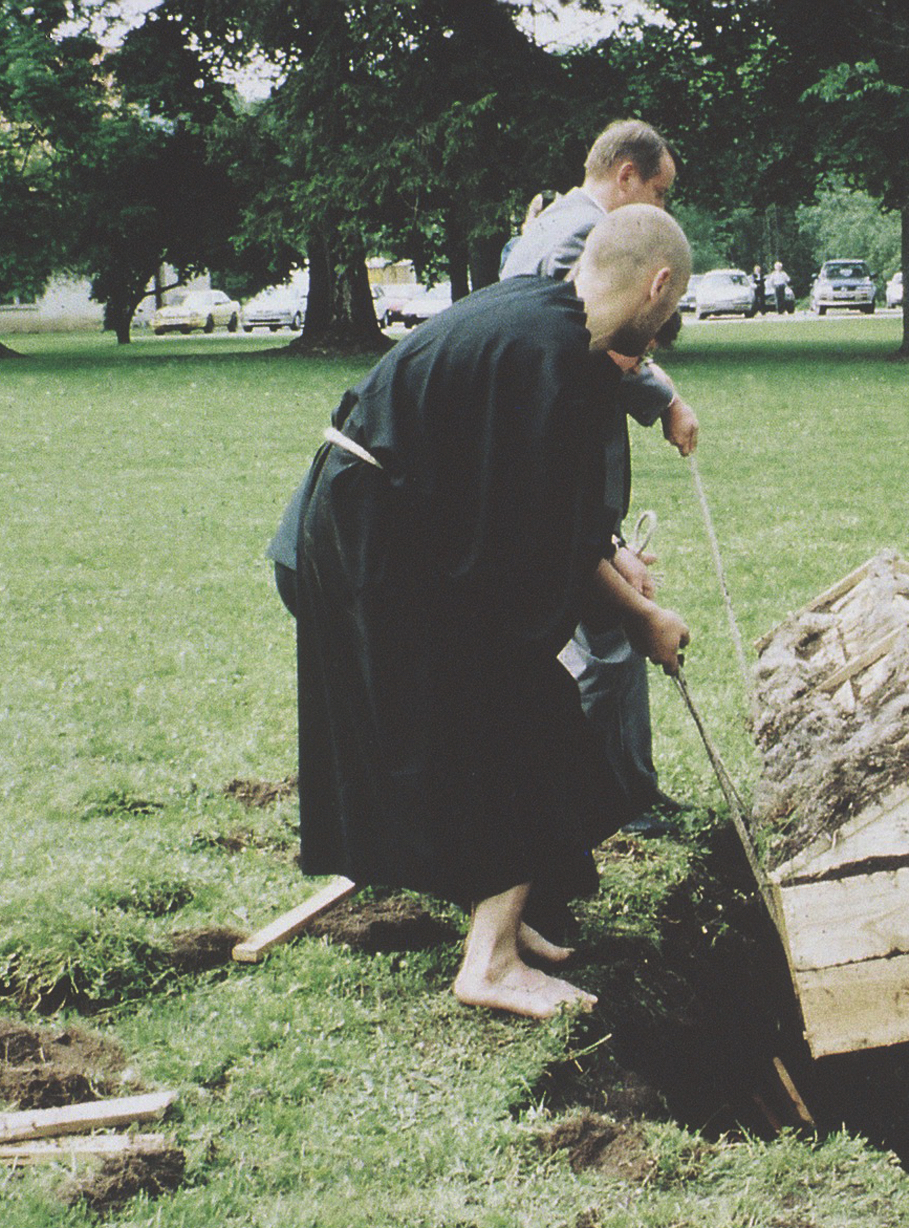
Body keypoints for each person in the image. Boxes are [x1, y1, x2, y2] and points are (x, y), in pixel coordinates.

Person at [276, 206, 693, 1020]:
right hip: (378, 543)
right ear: (659, 285)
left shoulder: (544, 318)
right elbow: (545, 549)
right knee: (512, 711)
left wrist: (612, 566)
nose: (668, 322)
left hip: (382, 525)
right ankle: (491, 962)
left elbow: (551, 528)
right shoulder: (550, 359)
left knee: (512, 705)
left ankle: (500, 915)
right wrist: (641, 619)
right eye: (672, 309)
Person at [501, 119, 700, 827]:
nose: (661, 211)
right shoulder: (580, 238)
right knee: (608, 648)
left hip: (569, 474)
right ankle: (573, 802)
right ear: (625, 176)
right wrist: (666, 399)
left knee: (619, 635)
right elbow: (598, 346)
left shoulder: (548, 222)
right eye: (659, 191)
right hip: (557, 469)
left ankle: (631, 790)